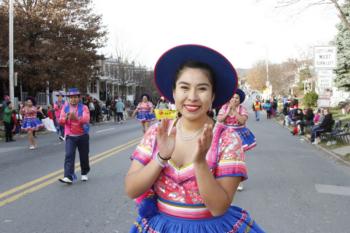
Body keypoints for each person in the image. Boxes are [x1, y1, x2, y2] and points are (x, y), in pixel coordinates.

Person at [125, 44, 264, 233]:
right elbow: (132, 189)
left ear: (213, 95)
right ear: (173, 93)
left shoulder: (227, 139)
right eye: (184, 87)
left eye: (202, 88)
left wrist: (200, 163)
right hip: (161, 227)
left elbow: (218, 207)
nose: (192, 97)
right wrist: (160, 158)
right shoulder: (158, 132)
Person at [217, 88, 256, 191]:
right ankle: (222, 179)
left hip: (239, 136)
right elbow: (220, 119)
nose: (234, 99)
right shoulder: (224, 107)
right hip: (225, 135)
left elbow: (242, 121)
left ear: (240, 100)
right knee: (222, 158)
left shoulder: (242, 109)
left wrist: (234, 111)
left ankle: (238, 182)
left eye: (237, 98)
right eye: (232, 97)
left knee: (238, 159)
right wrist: (228, 111)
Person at [58, 88, 90, 184]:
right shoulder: (65, 107)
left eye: (75, 97)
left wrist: (75, 118)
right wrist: (67, 118)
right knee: (69, 155)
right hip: (70, 135)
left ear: (79, 98)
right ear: (69, 98)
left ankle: (84, 173)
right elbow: (60, 121)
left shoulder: (84, 107)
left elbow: (86, 119)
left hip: (82, 135)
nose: (73, 99)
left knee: (84, 156)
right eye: (71, 97)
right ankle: (68, 176)